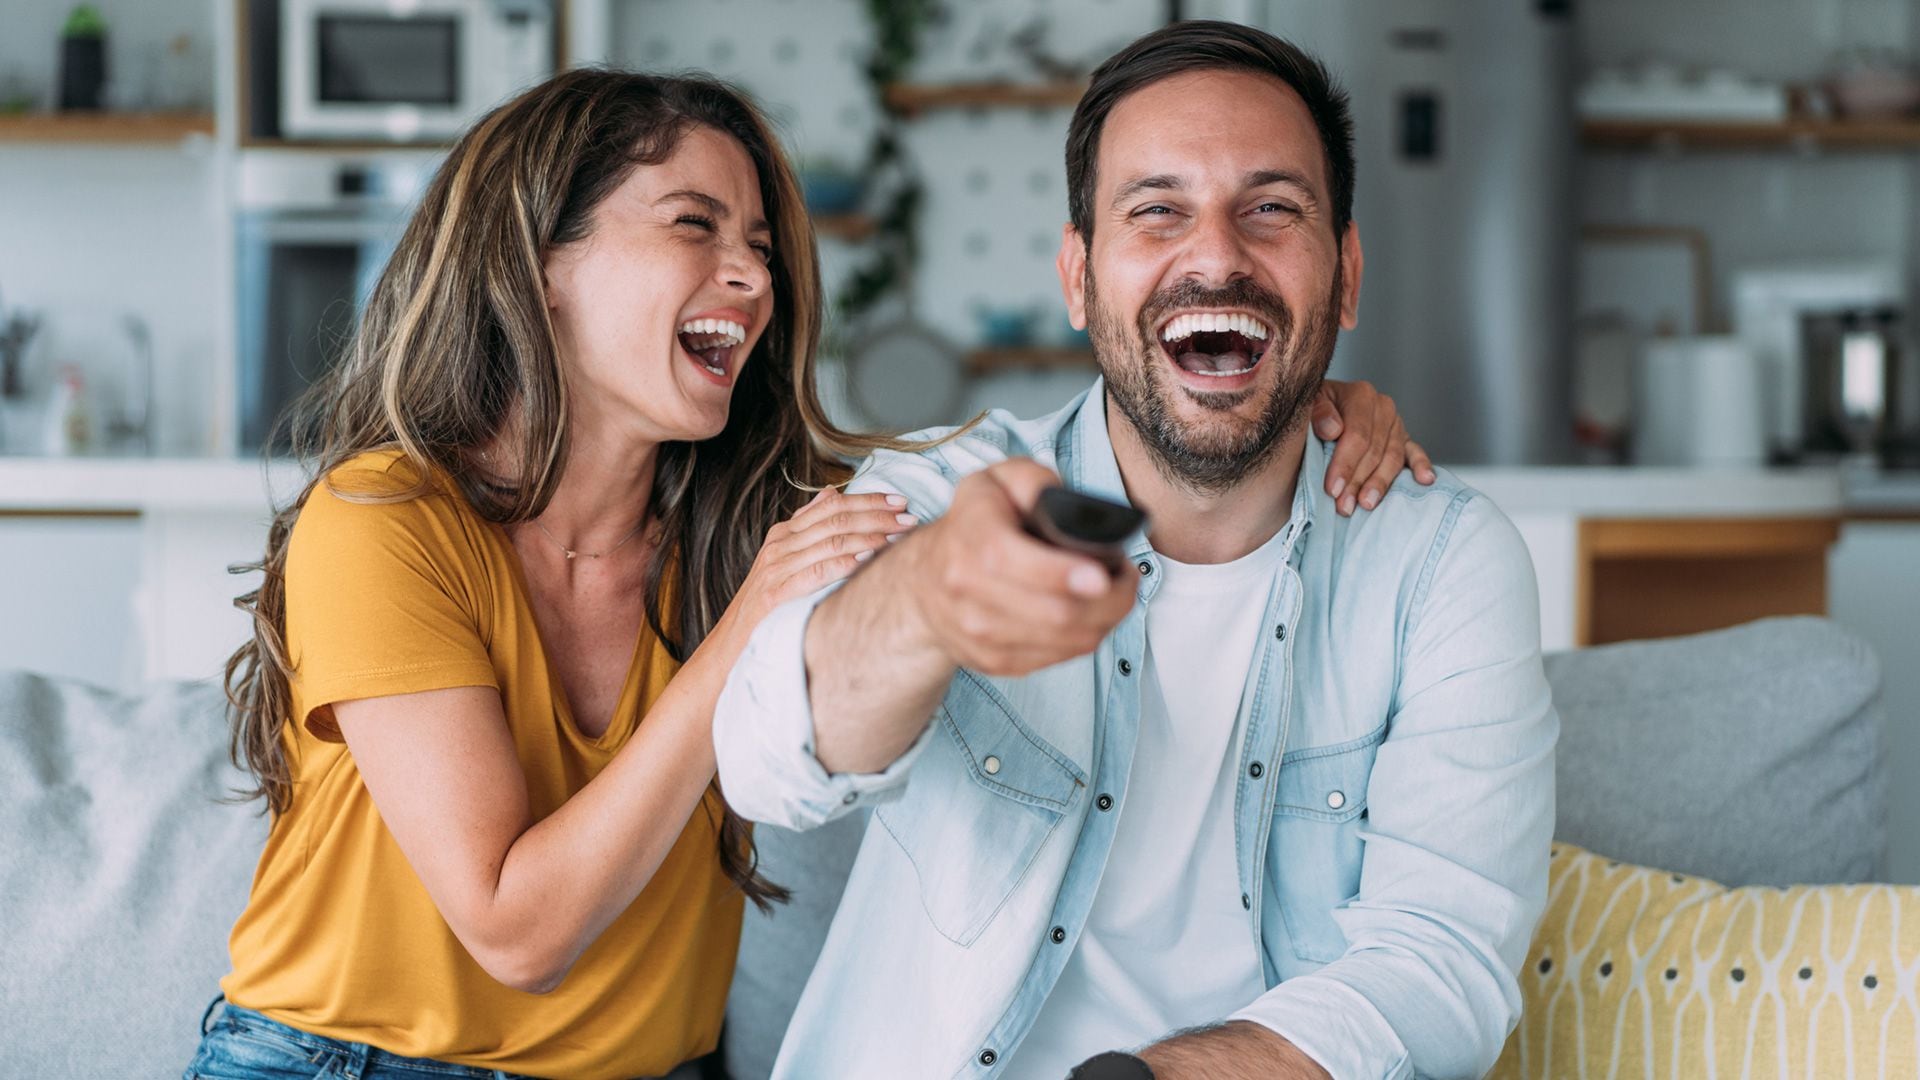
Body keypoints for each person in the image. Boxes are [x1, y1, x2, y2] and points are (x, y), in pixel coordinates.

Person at [186, 66, 1425, 1080]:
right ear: (540, 263)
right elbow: (519, 928)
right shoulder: (384, 520)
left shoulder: (763, 529)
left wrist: (1303, 410)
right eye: (694, 226)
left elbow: (1075, 459)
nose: (755, 279)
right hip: (333, 1064)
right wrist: (743, 632)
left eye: (762, 247)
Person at [713, 21, 1558, 1080]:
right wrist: (928, 600)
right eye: (1157, 209)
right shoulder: (942, 493)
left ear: (1343, 276)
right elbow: (765, 765)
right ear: (1078, 278)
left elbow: (1440, 966)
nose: (1214, 254)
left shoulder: (1443, 564)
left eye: (1271, 209)